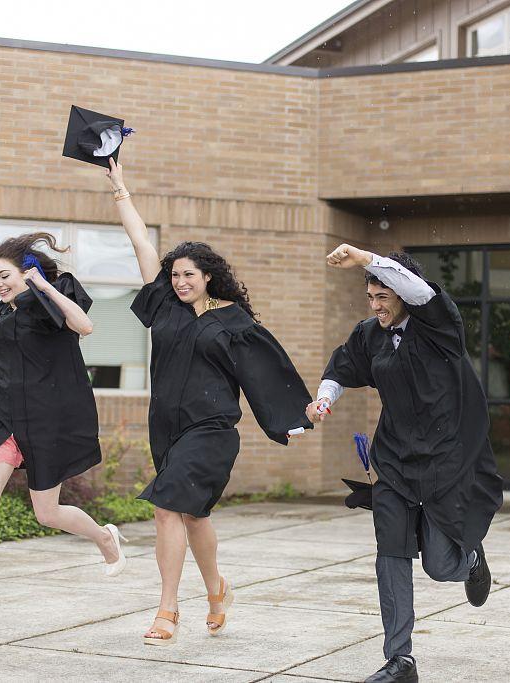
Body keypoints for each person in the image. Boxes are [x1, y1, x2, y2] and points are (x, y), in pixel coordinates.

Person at [106, 160, 312, 646]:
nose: (179, 281)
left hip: (212, 429)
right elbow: (141, 242)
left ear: (208, 276)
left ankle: (167, 609)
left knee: (166, 506)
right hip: (167, 428)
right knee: (192, 516)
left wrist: (297, 416)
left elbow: (267, 372)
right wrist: (120, 190)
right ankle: (217, 590)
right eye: (174, 274)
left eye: (188, 274)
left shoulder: (233, 320)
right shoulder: (163, 306)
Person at [307, 244, 502, 683]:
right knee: (390, 555)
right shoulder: (370, 333)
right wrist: (323, 399)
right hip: (394, 459)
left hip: (445, 459)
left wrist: (363, 256)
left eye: (384, 298)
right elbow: (342, 368)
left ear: (400, 293)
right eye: (371, 298)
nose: (376, 307)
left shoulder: (439, 325)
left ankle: (469, 560)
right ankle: (401, 659)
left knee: (438, 563)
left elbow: (418, 291)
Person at [0, 232, 124, 643]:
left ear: (27, 271)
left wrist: (42, 286)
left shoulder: (48, 301)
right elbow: (17, 333)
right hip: (2, 417)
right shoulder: (4, 311)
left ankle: (104, 537)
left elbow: (85, 326)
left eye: (4, 275)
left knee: (48, 513)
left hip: (45, 420)